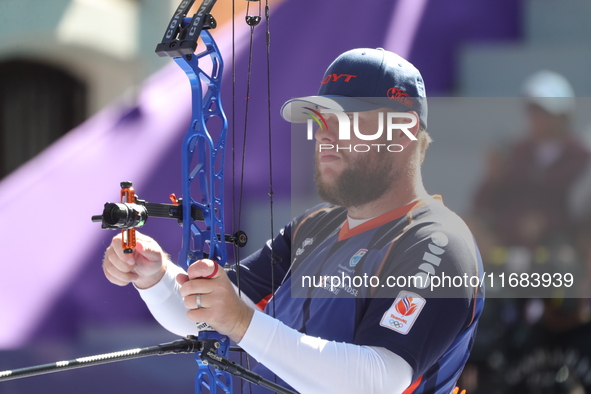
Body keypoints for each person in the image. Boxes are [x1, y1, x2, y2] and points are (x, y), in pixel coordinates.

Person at [102, 48, 484, 394]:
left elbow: (378, 381)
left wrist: (243, 323)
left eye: (347, 119)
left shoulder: (439, 242)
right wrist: (154, 275)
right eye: (320, 119)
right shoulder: (313, 226)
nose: (324, 136)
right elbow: (205, 315)